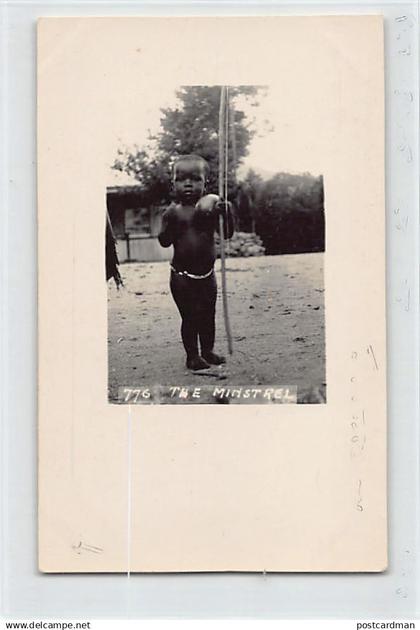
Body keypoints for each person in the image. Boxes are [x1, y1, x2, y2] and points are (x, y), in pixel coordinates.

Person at [158, 154, 234, 371]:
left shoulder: (210, 208)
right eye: (181, 179)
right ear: (173, 183)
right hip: (182, 277)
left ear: (205, 182)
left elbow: (226, 234)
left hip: (207, 275)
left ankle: (207, 351)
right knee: (190, 317)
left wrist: (227, 213)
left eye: (195, 179)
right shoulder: (172, 212)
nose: (188, 183)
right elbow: (164, 242)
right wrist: (169, 227)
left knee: (208, 315)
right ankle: (192, 356)